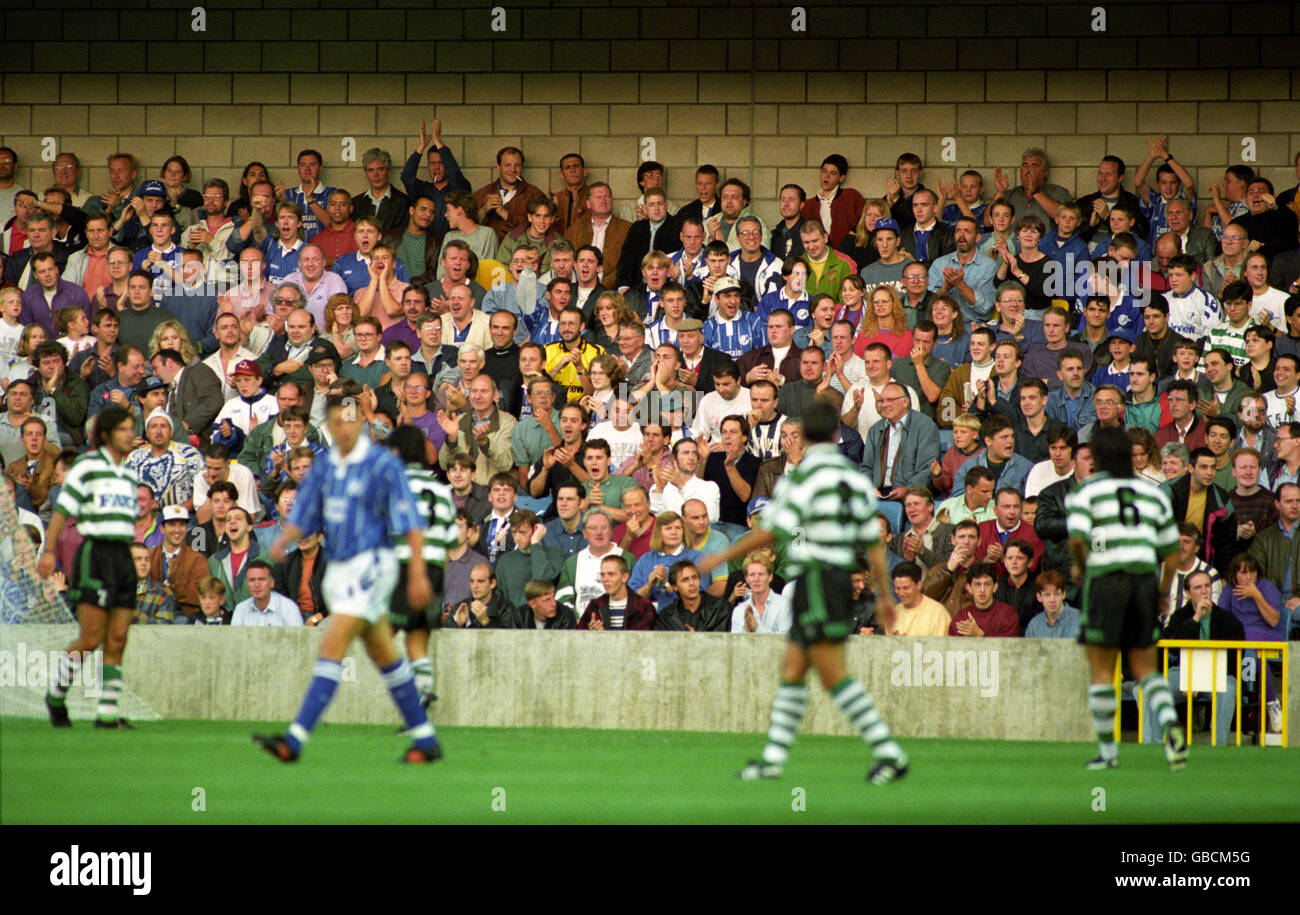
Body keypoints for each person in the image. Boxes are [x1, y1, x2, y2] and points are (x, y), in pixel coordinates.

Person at [697, 400, 908, 785]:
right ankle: (773, 761)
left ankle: (889, 752)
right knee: (794, 668)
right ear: (834, 435)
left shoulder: (803, 479)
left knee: (830, 674)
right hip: (838, 581)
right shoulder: (855, 478)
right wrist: (883, 596)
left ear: (808, 437)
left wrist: (720, 558)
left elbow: (766, 531)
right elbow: (873, 541)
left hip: (816, 580)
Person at [254, 390, 441, 764]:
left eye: (349, 419)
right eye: (336, 421)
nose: (343, 427)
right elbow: (306, 512)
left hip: (372, 566)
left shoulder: (382, 465)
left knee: (332, 644)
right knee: (384, 654)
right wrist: (285, 540)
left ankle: (294, 740)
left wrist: (418, 572)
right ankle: (424, 739)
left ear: (361, 421)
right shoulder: (324, 466)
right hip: (339, 569)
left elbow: (411, 522)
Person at [1065, 425, 1186, 770]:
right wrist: (1162, 592)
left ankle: (1108, 753)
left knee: (1103, 670)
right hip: (1143, 583)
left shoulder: (1087, 491)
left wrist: (1080, 566)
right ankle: (1171, 728)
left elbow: (1076, 539)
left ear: (1098, 457)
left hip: (1106, 583)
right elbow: (1171, 551)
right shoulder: (1154, 493)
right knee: (1146, 667)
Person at [40, 407, 142, 729]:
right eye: (124, 429)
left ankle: (107, 714)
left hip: (123, 556)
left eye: (131, 428)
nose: (130, 434)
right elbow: (62, 510)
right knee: (91, 637)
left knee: (119, 637)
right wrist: (49, 550)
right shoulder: (86, 467)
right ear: (107, 434)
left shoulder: (129, 474)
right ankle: (56, 695)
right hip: (96, 553)